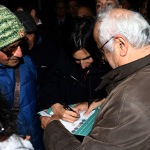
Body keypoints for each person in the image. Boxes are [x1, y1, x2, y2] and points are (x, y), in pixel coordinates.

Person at [41, 8, 150, 150]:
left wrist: (52, 127)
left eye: (101, 51)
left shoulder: (127, 102)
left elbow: (128, 103)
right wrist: (101, 102)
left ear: (120, 44)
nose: (104, 57)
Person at [39, 16, 109, 123]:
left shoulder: (108, 63)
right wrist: (55, 105)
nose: (83, 66)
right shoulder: (61, 59)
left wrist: (99, 101)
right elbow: (49, 82)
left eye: (87, 58)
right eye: (77, 60)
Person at [0, 5, 44, 150]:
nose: (19, 53)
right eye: (10, 48)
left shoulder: (28, 62)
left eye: (19, 44)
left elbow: (38, 100)